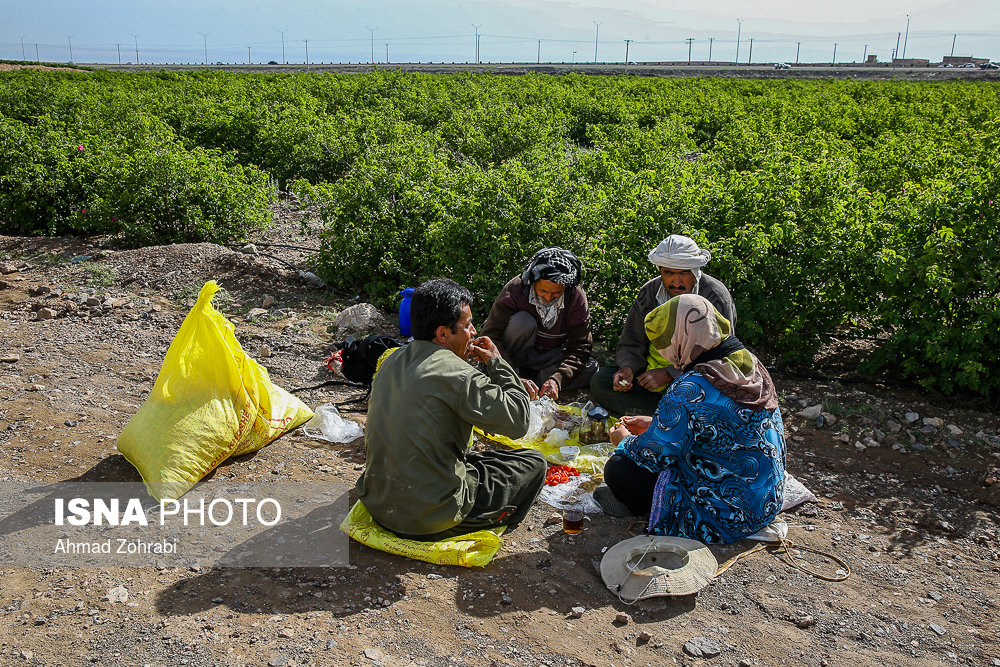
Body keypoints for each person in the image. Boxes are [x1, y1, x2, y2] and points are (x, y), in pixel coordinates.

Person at [356, 278, 548, 541]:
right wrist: (497, 363)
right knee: (533, 463)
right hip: (428, 518)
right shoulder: (460, 375)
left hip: (377, 502)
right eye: (467, 325)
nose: (473, 332)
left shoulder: (391, 360)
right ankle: (483, 519)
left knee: (477, 460)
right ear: (443, 334)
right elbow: (517, 421)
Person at [601, 294, 785, 544]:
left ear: (681, 336)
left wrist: (622, 441)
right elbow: (715, 425)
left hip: (720, 517)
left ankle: (652, 510)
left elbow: (651, 455)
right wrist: (656, 423)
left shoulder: (691, 387)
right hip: (764, 504)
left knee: (620, 468)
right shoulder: (748, 364)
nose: (665, 354)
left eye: (665, 342)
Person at [590, 234, 737, 416]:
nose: (676, 282)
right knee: (600, 382)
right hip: (650, 373)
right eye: (669, 273)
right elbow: (632, 340)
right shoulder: (650, 292)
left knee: (713, 400)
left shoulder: (715, 296)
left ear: (696, 271)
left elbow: (723, 357)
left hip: (697, 378)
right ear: (660, 271)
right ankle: (669, 415)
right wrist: (628, 367)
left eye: (684, 273)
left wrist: (670, 373)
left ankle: (663, 414)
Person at [480, 247, 597, 402]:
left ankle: (539, 382)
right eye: (543, 291)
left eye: (556, 293)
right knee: (522, 322)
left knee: (591, 367)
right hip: (514, 355)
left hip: (548, 358)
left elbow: (581, 346)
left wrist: (556, 380)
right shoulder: (516, 290)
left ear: (566, 287)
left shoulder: (575, 297)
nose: (549, 298)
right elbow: (490, 335)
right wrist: (510, 375)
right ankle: (511, 377)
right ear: (533, 282)